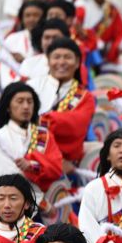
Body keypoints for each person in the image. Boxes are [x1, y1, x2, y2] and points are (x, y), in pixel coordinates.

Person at [0, 82, 64, 206]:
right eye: (20, 101)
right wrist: (44, 205)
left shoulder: (44, 134)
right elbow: (6, 181)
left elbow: (56, 168)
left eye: (30, 102)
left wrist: (31, 166)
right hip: (11, 205)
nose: (26, 106)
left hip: (48, 199)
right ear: (8, 107)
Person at [29, 38, 95, 170]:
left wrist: (43, 120)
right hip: (26, 153)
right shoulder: (32, 86)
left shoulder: (85, 97)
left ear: (77, 62)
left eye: (67, 57)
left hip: (63, 162)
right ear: (48, 61)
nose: (61, 62)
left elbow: (76, 125)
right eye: (56, 57)